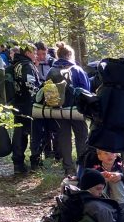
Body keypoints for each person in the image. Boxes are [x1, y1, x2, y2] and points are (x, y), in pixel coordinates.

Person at [46, 43, 91, 177]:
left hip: (58, 110)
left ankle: (68, 168)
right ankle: (82, 165)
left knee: (64, 137)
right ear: (69, 55)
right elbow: (86, 89)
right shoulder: (76, 69)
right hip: (76, 110)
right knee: (81, 136)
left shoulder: (51, 71)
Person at [9, 42, 43, 174]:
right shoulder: (27, 65)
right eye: (34, 53)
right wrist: (40, 97)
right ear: (28, 53)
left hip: (17, 104)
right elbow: (30, 86)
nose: (36, 56)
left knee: (19, 134)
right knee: (34, 134)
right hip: (28, 106)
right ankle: (35, 162)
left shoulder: (16, 64)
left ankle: (18, 163)